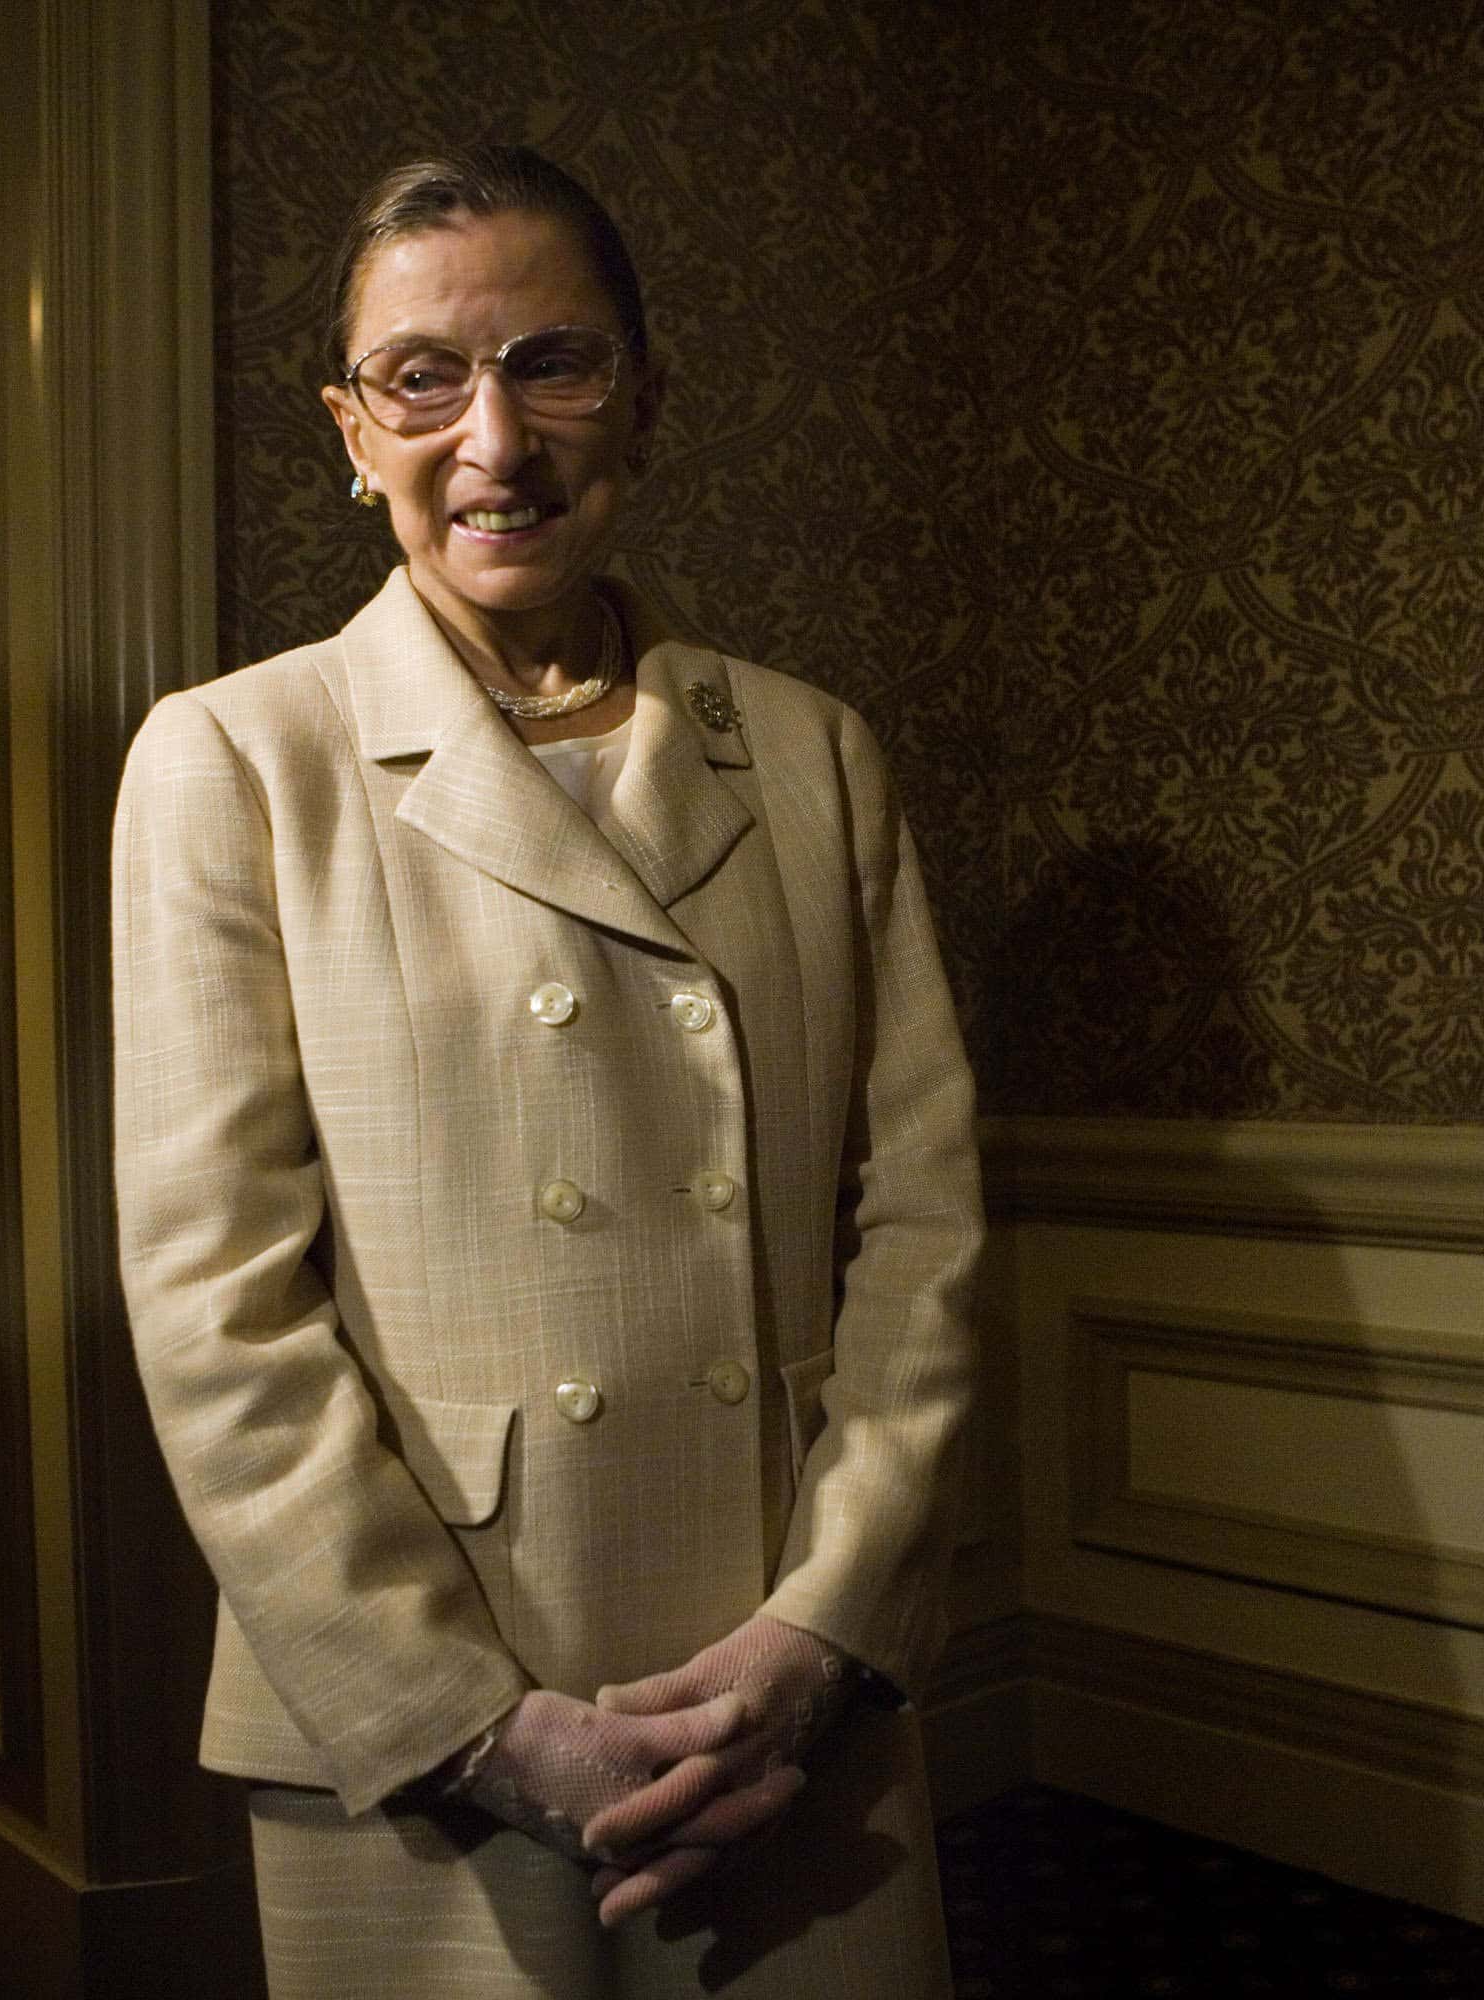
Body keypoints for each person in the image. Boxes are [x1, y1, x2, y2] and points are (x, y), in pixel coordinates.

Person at [110, 145, 981, 1998]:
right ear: (355, 427)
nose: (492, 438)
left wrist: (821, 1640)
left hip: (778, 1686)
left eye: (552, 364)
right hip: (430, 1716)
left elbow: (924, 1237)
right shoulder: (237, 761)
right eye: (424, 376)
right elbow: (218, 1322)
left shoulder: (815, 757)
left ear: (642, 403)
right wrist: (484, 1730)